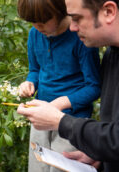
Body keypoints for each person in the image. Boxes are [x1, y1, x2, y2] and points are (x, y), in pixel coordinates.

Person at [17, 0, 119, 172]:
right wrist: (29, 82)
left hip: (73, 123)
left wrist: (59, 109)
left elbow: (94, 86)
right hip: (43, 119)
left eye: (76, 18)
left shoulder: (83, 41)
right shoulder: (35, 35)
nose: (38, 27)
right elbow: (35, 69)